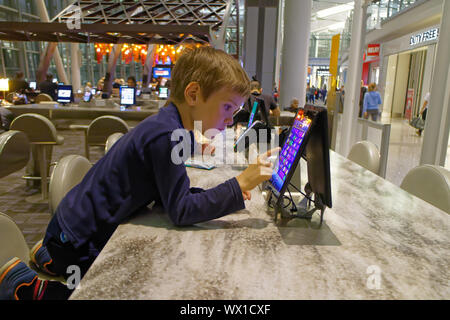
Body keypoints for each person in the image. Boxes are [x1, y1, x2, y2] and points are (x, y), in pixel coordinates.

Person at [0, 46, 278, 300]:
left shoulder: (169, 123)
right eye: (227, 107)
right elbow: (180, 210)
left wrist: (227, 190)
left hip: (69, 229)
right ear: (193, 94)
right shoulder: (168, 135)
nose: (230, 119)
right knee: (119, 292)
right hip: (77, 239)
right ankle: (26, 287)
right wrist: (239, 182)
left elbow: (172, 196)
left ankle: (52, 258)